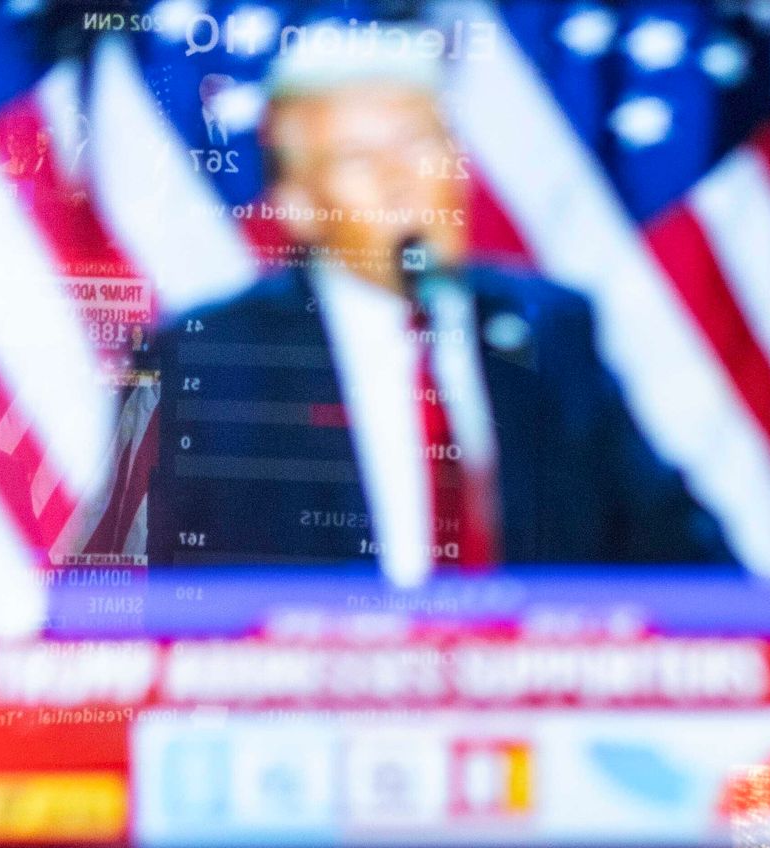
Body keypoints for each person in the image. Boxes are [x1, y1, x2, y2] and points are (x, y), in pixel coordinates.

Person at [135, 47, 733, 580]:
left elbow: (679, 555)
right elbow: (139, 591)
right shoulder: (211, 356)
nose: (403, 183)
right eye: (358, 160)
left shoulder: (550, 330)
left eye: (422, 148)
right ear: (298, 207)